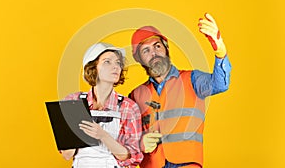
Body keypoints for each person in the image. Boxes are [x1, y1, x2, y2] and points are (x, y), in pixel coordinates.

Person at [128, 13, 232, 168]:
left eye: (157, 46)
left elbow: (220, 84)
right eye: (146, 50)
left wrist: (220, 51)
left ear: (166, 48)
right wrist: (138, 143)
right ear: (138, 59)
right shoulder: (135, 95)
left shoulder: (192, 79)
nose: (154, 53)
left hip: (187, 164)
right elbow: (125, 135)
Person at [60, 42, 143, 168]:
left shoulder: (128, 107)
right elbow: (67, 155)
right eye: (107, 62)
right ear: (93, 67)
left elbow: (131, 156)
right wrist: (78, 133)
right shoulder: (73, 101)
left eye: (118, 63)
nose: (115, 67)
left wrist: (102, 135)